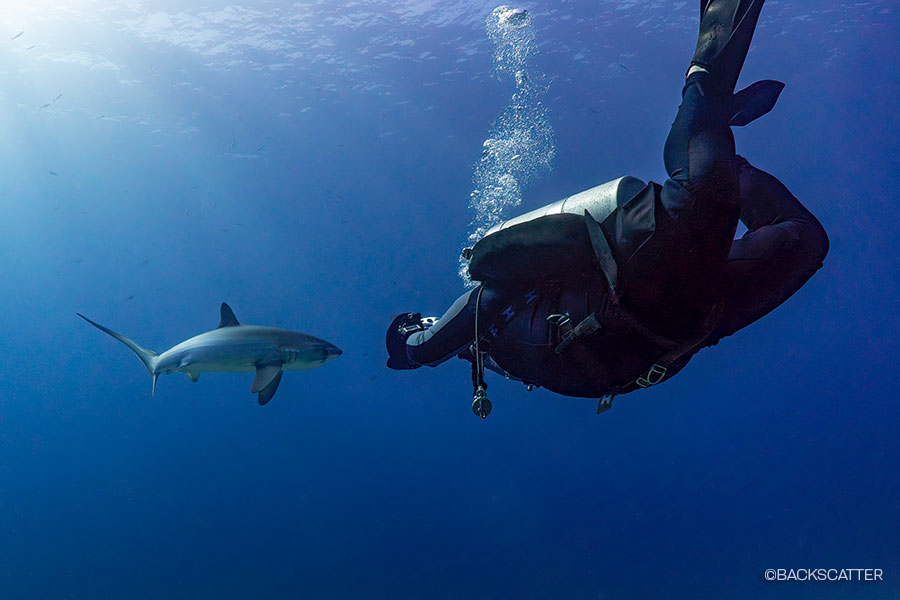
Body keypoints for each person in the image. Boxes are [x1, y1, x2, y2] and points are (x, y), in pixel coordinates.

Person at [386, 0, 829, 418]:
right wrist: (412, 347)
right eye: (424, 322)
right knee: (802, 239)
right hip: (684, 327)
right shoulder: (505, 347)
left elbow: (465, 317)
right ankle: (714, 138)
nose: (430, 321)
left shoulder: (489, 307)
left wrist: (413, 349)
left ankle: (705, 90)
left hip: (641, 286)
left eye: (426, 319)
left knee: (706, 184)